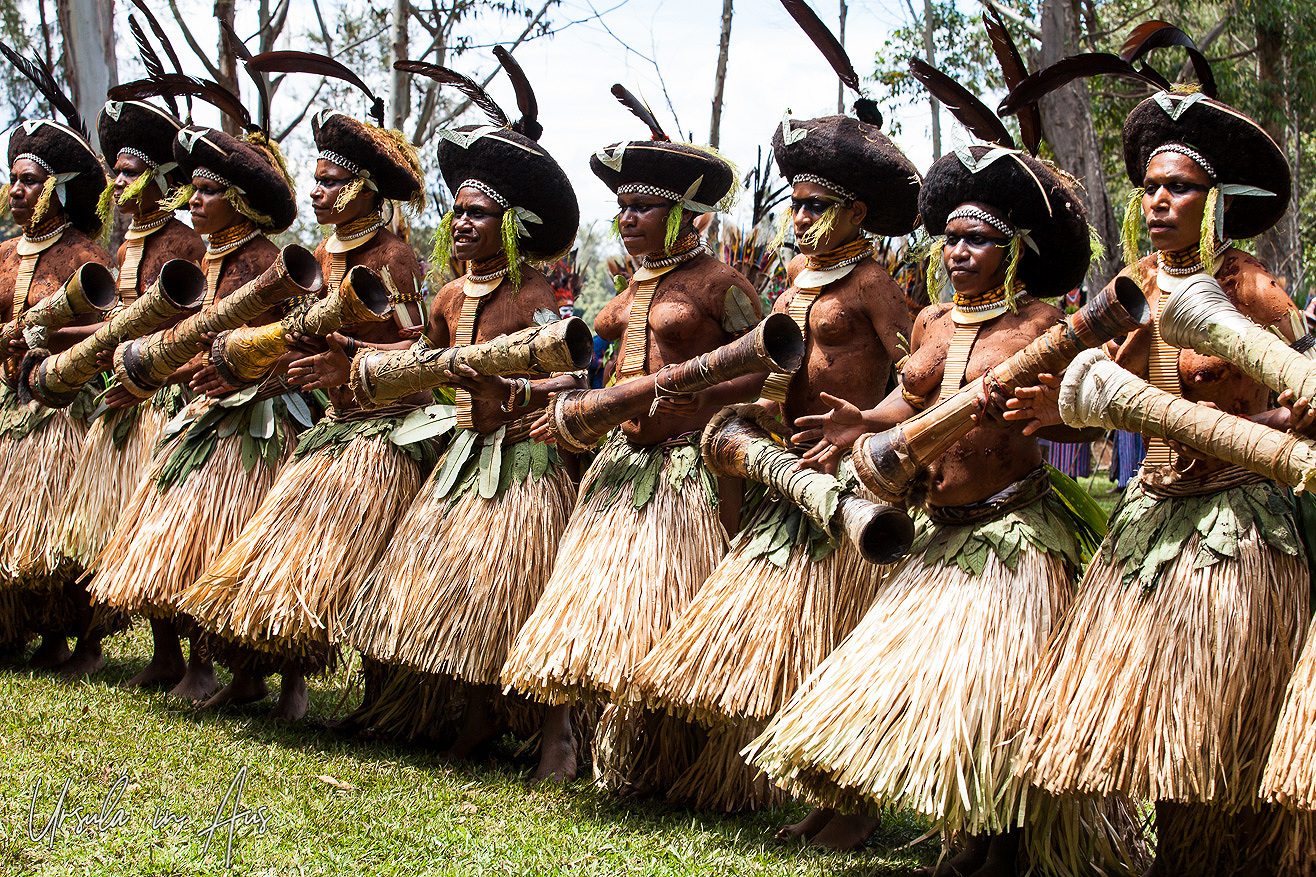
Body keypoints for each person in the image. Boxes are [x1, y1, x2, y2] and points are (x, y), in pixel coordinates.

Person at [748, 144, 1113, 873]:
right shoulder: (932, 322)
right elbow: (909, 399)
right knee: (927, 689)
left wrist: (1060, 413)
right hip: (942, 529)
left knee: (995, 695)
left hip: (1014, 533)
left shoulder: (1042, 321)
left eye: (976, 238)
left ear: (1014, 250)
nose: (957, 250)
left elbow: (1094, 415)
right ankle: (963, 834)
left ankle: (1000, 842)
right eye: (950, 237)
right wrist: (864, 422)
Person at [1009, 89, 1311, 876]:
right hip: (1153, 520)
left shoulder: (1256, 291)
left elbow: (1302, 410)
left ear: (1215, 204)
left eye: (1178, 188)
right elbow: (1105, 400)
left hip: (1239, 525)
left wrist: (1259, 434)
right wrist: (1056, 413)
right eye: (1149, 187)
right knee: (1155, 717)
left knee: (1220, 717)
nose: (1159, 201)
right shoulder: (1133, 288)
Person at [625, 109, 918, 820]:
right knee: (771, 639)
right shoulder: (797, 277)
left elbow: (921, 380)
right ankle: (761, 780)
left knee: (838, 643)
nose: (800, 216)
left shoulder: (874, 283)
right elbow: (763, 362)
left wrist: (867, 425)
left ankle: (852, 805)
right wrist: (715, 396)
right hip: (783, 473)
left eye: (816, 206)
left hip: (846, 479)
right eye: (796, 203)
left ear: (856, 213)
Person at [503, 98, 763, 794]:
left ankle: (690, 760)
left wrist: (708, 403)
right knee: (584, 599)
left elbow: (767, 364)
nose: (626, 218)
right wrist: (556, 389)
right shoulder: (629, 287)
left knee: (674, 614)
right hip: (621, 465)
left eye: (642, 207)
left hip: (687, 471)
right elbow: (596, 358)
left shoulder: (721, 284)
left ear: (685, 215)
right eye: (621, 206)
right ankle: (565, 740)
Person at [343, 85, 586, 779]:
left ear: (511, 224)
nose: (462, 224)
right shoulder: (449, 296)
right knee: (471, 597)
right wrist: (361, 362)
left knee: (523, 593)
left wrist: (517, 388)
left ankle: (557, 738)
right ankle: (475, 718)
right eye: (456, 212)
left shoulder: (536, 295)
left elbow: (569, 376)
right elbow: (424, 366)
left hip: (525, 463)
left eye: (478, 214)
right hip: (461, 458)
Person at [176, 106, 430, 721]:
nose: (317, 192)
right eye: (314, 181)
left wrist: (353, 360)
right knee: (280, 565)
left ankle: (364, 700)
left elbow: (421, 351)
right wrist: (249, 374)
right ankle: (256, 678)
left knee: (357, 575)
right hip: (328, 426)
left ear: (365, 190)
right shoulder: (319, 251)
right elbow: (298, 337)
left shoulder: (396, 258)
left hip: (385, 431)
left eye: (330, 182)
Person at [90, 123, 302, 701]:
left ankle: (275, 682)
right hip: (197, 413)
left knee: (242, 548)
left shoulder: (265, 259)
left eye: (207, 191)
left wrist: (244, 372)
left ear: (237, 200)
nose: (195, 200)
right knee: (172, 537)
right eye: (193, 190)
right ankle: (185, 661)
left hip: (256, 424)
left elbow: (296, 344)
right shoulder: (207, 257)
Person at [50, 99, 205, 686]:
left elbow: (191, 325)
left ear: (163, 179)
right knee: (123, 532)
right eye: (113, 171)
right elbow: (118, 322)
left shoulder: (187, 244)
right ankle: (164, 655)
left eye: (130, 170)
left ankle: (201, 663)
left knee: (170, 535)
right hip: (123, 395)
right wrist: (56, 334)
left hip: (169, 401)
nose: (117, 182)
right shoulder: (125, 245)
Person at [0, 114, 114, 675]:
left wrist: (47, 335)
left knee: (63, 530)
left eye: (29, 181)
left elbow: (112, 327)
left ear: (59, 189)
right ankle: (26, 630)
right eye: (12, 179)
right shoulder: (2, 254)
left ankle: (84, 642)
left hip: (66, 410)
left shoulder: (83, 255)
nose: (16, 192)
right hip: (9, 406)